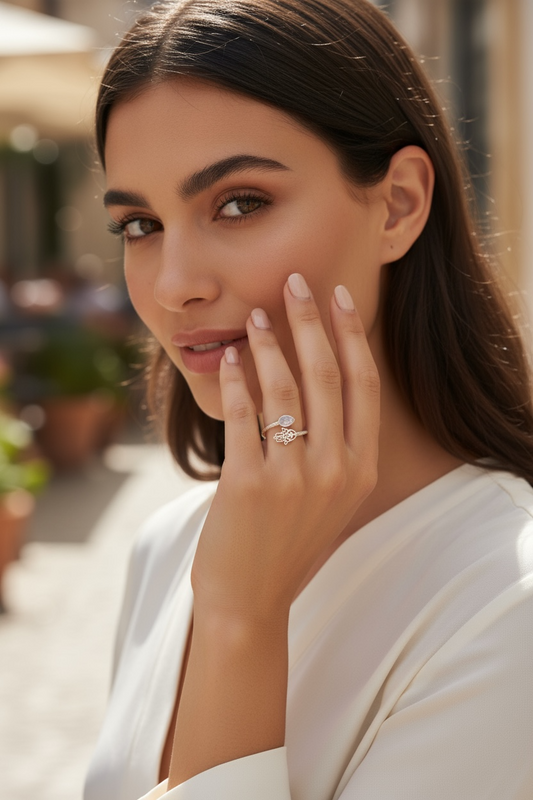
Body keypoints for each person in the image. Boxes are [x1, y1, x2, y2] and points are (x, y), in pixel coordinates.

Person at [84, 1, 533, 798]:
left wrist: (242, 625)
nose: (174, 284)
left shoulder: (506, 603)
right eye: (140, 224)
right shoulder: (169, 547)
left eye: (239, 203)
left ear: (396, 204)